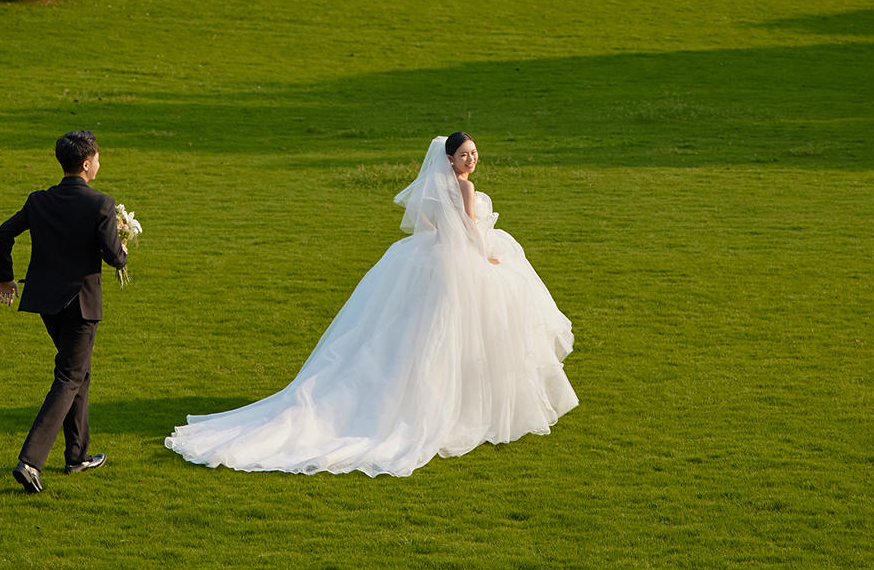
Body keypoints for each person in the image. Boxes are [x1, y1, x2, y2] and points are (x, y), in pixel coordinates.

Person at [166, 133, 577, 477]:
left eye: (474, 153)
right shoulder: (465, 187)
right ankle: (468, 410)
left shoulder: (438, 185)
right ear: (450, 159)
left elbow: (424, 217)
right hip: (462, 262)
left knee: (425, 334)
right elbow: (470, 228)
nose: (472, 159)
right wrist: (482, 256)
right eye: (465, 154)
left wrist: (438, 240)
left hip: (435, 257)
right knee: (466, 330)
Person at [0, 130, 130, 494]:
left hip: (46, 304)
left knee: (77, 372)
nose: (100, 163)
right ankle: (31, 461)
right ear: (86, 164)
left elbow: (2, 235)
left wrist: (6, 279)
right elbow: (113, 257)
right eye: (98, 158)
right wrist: (123, 247)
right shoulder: (101, 204)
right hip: (81, 305)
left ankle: (77, 456)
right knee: (69, 377)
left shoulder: (38, 201)